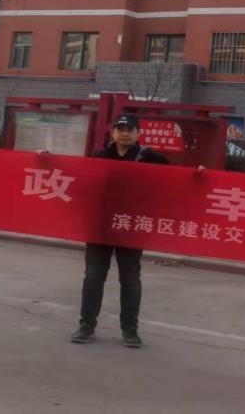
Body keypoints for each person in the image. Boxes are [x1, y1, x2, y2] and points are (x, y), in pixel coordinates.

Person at [70, 114, 169, 348]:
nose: (124, 133)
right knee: (93, 276)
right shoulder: (99, 156)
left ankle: (130, 330)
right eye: (120, 129)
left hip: (130, 226)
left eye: (129, 129)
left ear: (138, 133)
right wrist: (45, 159)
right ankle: (86, 326)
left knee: (130, 278)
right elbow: (78, 178)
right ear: (112, 132)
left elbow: (177, 180)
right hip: (100, 225)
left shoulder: (151, 159)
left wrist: (200, 173)